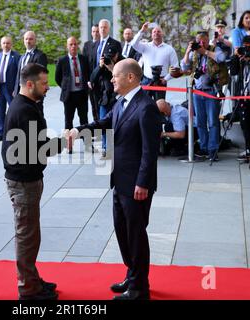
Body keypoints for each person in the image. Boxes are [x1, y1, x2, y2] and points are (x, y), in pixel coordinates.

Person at [66, 59, 162, 300]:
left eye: (115, 76)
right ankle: (132, 277)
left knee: (136, 234)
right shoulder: (122, 103)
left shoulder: (146, 107)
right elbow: (104, 123)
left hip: (136, 185)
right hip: (119, 181)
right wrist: (79, 131)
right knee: (122, 231)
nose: (111, 79)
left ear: (130, 78)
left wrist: (143, 183)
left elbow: (151, 152)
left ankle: (140, 289)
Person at [2, 63, 65, 300]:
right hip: (23, 181)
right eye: (44, 83)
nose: (48, 87)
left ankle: (32, 280)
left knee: (30, 233)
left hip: (27, 178)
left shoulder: (28, 104)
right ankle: (28, 289)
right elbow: (38, 150)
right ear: (30, 84)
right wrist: (64, 142)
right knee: (27, 235)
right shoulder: (24, 109)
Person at [181, 31, 228, 161]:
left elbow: (221, 58)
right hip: (197, 92)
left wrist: (205, 51)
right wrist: (188, 51)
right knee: (200, 122)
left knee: (213, 122)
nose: (202, 44)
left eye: (204, 41)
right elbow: (184, 66)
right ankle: (203, 148)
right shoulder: (194, 52)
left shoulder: (214, 48)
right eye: (199, 41)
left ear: (208, 41)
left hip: (211, 91)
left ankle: (213, 149)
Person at [55, 37, 90, 151]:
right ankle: (69, 145)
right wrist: (65, 87)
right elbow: (57, 77)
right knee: (68, 121)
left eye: (75, 44)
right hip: (69, 96)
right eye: (71, 44)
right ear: (67, 46)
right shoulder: (62, 60)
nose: (73, 46)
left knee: (84, 120)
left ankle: (88, 144)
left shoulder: (84, 59)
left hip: (81, 94)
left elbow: (87, 74)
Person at [129, 22, 179, 100]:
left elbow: (176, 67)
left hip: (161, 81)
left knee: (159, 106)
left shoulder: (169, 49)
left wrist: (166, 79)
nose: (156, 33)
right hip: (146, 80)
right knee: (144, 106)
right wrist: (142, 31)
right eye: (154, 32)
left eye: (158, 31)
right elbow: (133, 44)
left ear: (162, 34)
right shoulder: (145, 46)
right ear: (151, 35)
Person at [90, 50, 120, 159]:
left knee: (116, 125)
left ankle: (113, 148)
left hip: (116, 99)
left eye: (110, 57)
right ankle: (105, 149)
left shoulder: (119, 65)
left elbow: (120, 78)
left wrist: (112, 68)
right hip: (104, 100)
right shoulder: (101, 68)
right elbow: (92, 79)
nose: (108, 60)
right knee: (103, 124)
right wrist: (100, 66)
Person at [0, 36, 20, 142]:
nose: (5, 45)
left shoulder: (16, 57)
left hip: (11, 90)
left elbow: (19, 74)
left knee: (13, 112)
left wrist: (16, 89)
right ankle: (1, 133)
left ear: (11, 44)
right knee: (0, 111)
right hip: (0, 89)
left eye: (8, 43)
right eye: (4, 43)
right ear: (1, 44)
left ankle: (15, 134)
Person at [13, 31, 48, 97]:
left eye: (30, 39)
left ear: (35, 40)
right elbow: (18, 75)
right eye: (26, 39)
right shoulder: (22, 57)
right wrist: (15, 91)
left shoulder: (40, 56)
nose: (28, 41)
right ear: (23, 40)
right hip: (20, 92)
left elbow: (41, 76)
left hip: (33, 93)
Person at [83, 24, 100, 122]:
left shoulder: (102, 44)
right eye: (94, 31)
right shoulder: (87, 45)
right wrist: (88, 80)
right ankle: (95, 125)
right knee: (93, 104)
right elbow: (84, 64)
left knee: (99, 105)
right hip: (89, 80)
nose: (96, 33)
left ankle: (100, 125)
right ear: (91, 33)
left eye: (97, 31)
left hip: (99, 80)